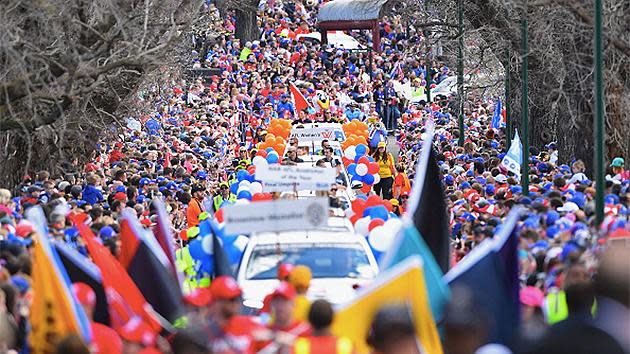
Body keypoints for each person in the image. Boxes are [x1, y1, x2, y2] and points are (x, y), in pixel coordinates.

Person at [72, 282, 123, 354]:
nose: (72, 309)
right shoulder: (63, 330)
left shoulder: (107, 335)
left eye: (78, 306)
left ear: (89, 307)